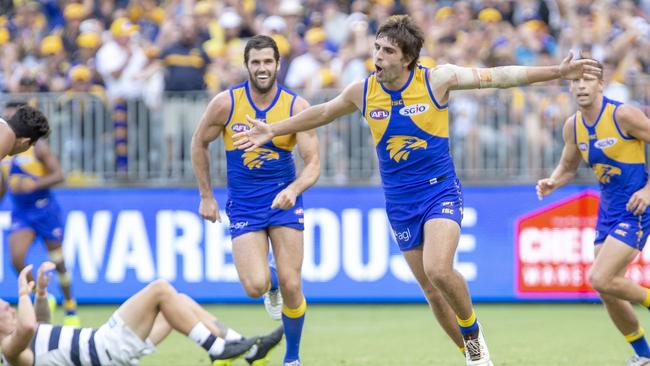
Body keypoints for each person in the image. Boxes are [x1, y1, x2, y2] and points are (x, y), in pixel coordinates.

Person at [233, 15, 601, 366]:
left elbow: (501, 77)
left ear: (407, 58)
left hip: (439, 191)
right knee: (429, 289)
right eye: (377, 48)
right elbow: (323, 112)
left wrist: (557, 72)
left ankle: (473, 335)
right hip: (399, 202)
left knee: (439, 269)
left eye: (388, 52)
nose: (378, 57)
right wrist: (274, 128)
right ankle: (474, 356)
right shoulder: (363, 91)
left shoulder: (437, 80)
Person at [191, 34, 320, 366]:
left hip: (283, 201)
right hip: (245, 205)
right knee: (255, 285)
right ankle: (270, 282)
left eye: (268, 62)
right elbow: (198, 143)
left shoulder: (296, 107)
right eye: (255, 62)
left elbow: (314, 164)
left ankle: (292, 357)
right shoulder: (226, 103)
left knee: (294, 283)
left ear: (278, 64)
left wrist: (293, 190)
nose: (262, 68)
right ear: (246, 65)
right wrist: (206, 196)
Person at [536, 61, 650, 366]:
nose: (581, 86)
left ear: (601, 84)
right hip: (609, 210)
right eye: (576, 81)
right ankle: (644, 355)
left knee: (600, 277)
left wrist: (648, 190)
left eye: (588, 80)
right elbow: (568, 166)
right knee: (608, 290)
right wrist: (553, 181)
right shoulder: (573, 126)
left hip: (636, 208)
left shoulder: (622, 115)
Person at [0, 262, 284, 366]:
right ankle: (218, 349)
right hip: (105, 348)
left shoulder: (22, 342)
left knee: (179, 302)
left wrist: (38, 295)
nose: (8, 307)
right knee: (160, 289)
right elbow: (28, 327)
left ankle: (248, 351)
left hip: (109, 350)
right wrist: (23, 294)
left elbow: (39, 326)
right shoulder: (9, 350)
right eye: (3, 309)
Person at [0, 101, 79, 326]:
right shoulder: (6, 138)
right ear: (26, 142)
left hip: (44, 209)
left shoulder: (37, 148)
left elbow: (59, 175)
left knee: (58, 261)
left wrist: (34, 184)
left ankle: (70, 306)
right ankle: (42, 297)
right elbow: (4, 184)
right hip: (22, 212)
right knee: (17, 259)